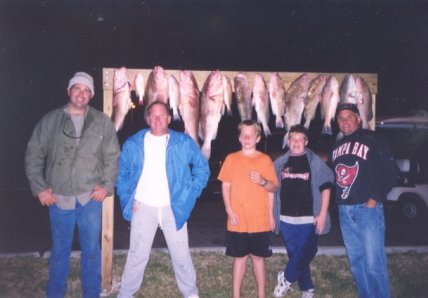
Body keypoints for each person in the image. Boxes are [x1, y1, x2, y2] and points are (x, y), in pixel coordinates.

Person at [24, 72, 121, 298]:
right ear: (68, 91)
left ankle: (91, 293)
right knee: (59, 252)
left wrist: (106, 185)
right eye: (77, 88)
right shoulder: (50, 121)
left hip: (90, 198)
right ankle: (55, 293)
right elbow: (33, 155)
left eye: (86, 90)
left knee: (92, 252)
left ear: (92, 95)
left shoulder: (102, 122)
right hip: (58, 199)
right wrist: (39, 187)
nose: (81, 93)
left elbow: (112, 156)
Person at [116, 101, 210, 298]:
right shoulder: (133, 142)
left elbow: (202, 169)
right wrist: (127, 198)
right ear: (148, 118)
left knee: (181, 255)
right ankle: (125, 294)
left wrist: (190, 195)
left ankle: (191, 293)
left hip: (172, 207)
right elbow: (121, 174)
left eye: (162, 115)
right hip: (142, 206)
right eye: (153, 115)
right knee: (136, 255)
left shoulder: (183, 141)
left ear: (169, 118)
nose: (158, 120)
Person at [328, 103, 397, 298]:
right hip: (344, 211)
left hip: (367, 208)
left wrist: (373, 201)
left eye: (349, 116)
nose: (345, 121)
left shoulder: (373, 139)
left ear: (358, 118)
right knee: (356, 262)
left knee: (374, 263)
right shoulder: (336, 147)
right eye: (340, 118)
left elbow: (391, 172)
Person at [217, 120, 278, 298]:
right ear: (239, 137)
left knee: (258, 257)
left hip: (259, 219)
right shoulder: (231, 158)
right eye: (243, 134)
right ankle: (236, 295)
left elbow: (273, 189)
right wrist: (229, 210)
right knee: (240, 257)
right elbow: (225, 186)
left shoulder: (265, 160)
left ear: (258, 138)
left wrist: (263, 182)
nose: (247, 138)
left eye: (251, 134)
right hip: (237, 219)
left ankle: (262, 295)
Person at [272, 125, 334, 298]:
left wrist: (322, 214)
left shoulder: (315, 162)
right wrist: (271, 215)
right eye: (293, 138)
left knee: (308, 251)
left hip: (309, 217)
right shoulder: (279, 163)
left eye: (300, 139)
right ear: (288, 141)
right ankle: (307, 288)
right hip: (286, 218)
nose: (296, 142)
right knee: (296, 255)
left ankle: (286, 278)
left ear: (306, 141)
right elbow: (270, 189)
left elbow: (326, 187)